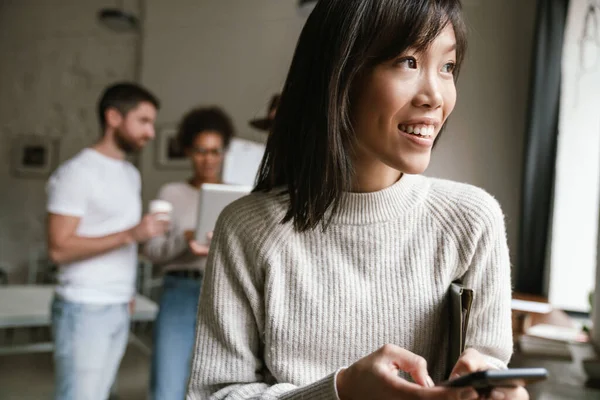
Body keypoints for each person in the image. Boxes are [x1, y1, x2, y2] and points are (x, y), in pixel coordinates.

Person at [187, 0, 526, 399]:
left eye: (447, 67)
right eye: (407, 61)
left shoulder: (472, 221)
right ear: (339, 73)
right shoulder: (247, 228)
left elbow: (489, 371)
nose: (435, 95)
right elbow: (215, 394)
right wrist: (341, 391)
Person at [46, 82, 168, 400]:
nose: (151, 132)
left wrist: (126, 289)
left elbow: (120, 240)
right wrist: (131, 234)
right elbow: (59, 249)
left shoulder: (130, 174)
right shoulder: (76, 173)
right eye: (143, 121)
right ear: (113, 117)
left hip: (118, 304)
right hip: (83, 306)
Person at [143, 107, 234, 400]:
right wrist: (184, 240)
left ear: (224, 153)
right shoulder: (171, 193)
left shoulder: (239, 196)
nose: (208, 159)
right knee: (167, 384)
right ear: (187, 151)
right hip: (179, 290)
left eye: (215, 151)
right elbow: (152, 252)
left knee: (219, 385)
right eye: (200, 151)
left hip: (224, 294)